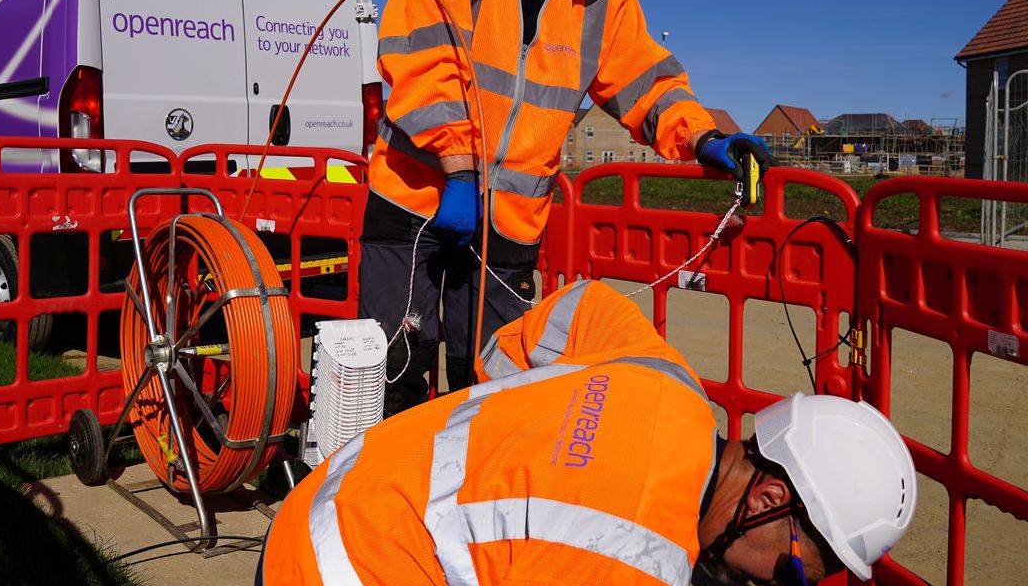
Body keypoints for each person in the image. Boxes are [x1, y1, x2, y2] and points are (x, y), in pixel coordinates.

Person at [361, 0, 774, 415]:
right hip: (417, 196)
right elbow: (422, 55)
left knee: (495, 381)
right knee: (397, 365)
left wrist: (707, 137)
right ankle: (372, 495)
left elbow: (645, 82)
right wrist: (456, 164)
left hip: (510, 224)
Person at [257, 280, 917, 586]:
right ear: (769, 500)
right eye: (791, 573)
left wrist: (508, 399)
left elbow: (587, 303)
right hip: (332, 568)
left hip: (332, 493)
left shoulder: (672, 386)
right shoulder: (633, 556)